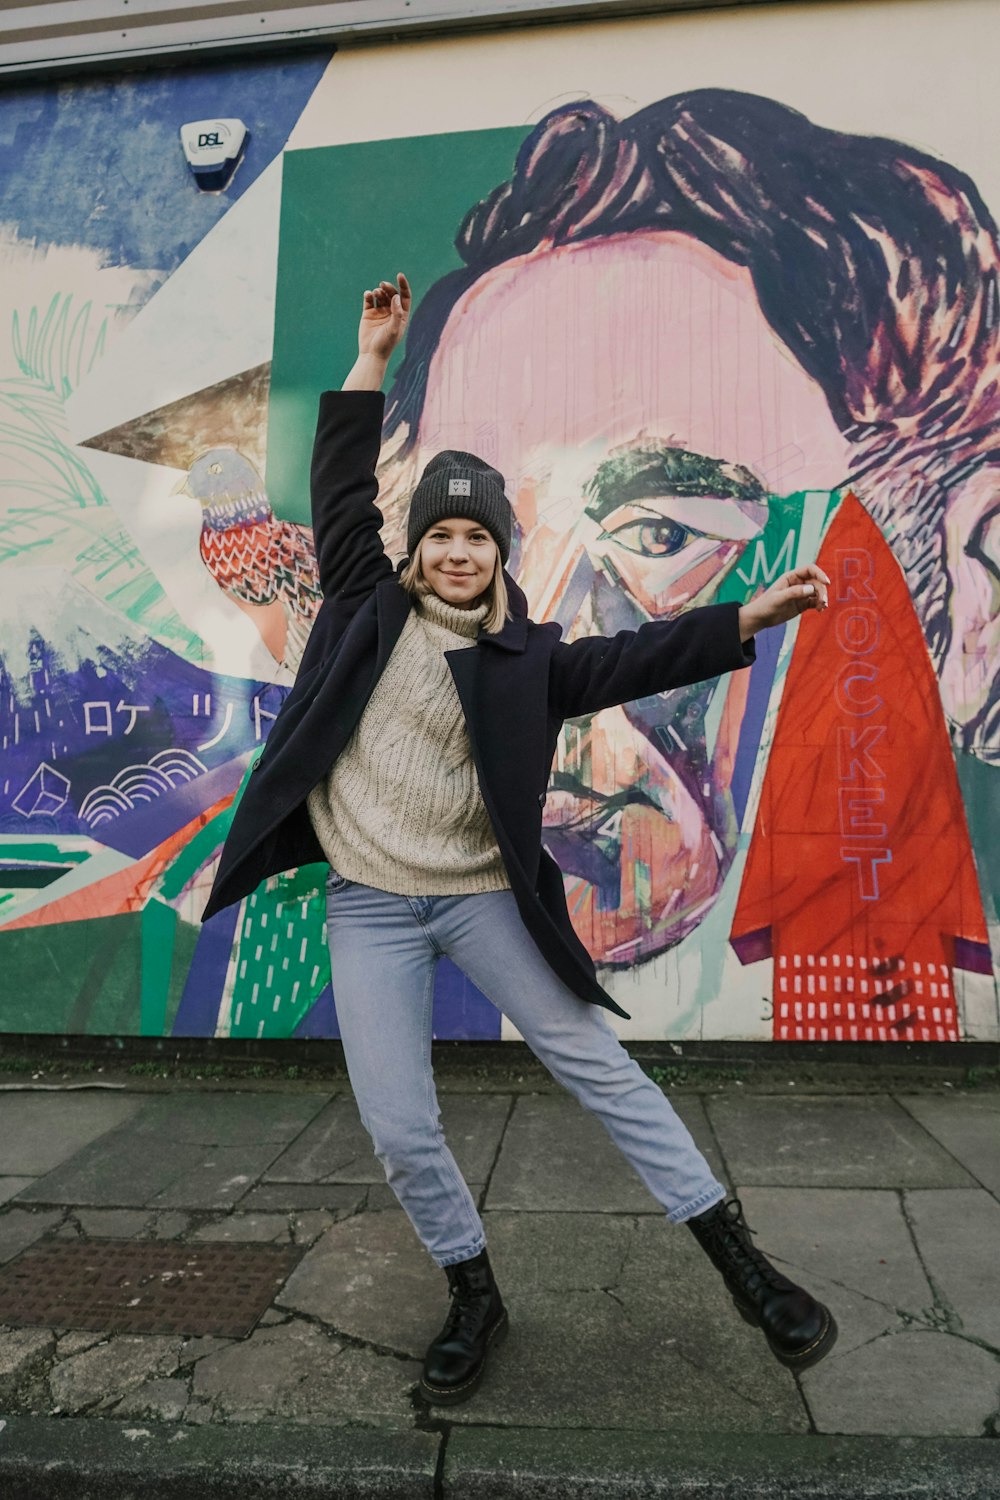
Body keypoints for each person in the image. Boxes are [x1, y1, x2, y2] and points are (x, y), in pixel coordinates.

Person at [201, 270, 836, 1404]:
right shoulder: (362, 604)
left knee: (594, 1063)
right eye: (440, 533)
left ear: (497, 555)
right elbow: (340, 477)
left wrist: (748, 613)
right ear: (416, 548)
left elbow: (637, 660)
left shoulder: (527, 660)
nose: (456, 551)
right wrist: (373, 358)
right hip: (369, 904)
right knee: (399, 1122)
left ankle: (744, 1268)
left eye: (475, 538)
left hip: (482, 894)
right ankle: (472, 1292)